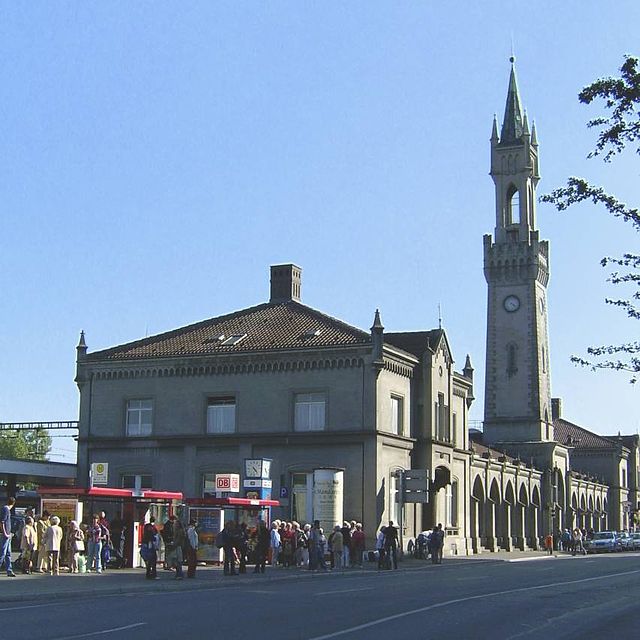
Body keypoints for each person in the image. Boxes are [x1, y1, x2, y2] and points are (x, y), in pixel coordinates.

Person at [0, 497, 16, 577]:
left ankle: (9, 570)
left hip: (8, 534)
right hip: (5, 535)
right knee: (2, 553)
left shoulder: (5, 509)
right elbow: (2, 522)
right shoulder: (6, 510)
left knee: (8, 553)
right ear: (13, 503)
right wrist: (5, 533)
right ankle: (9, 570)